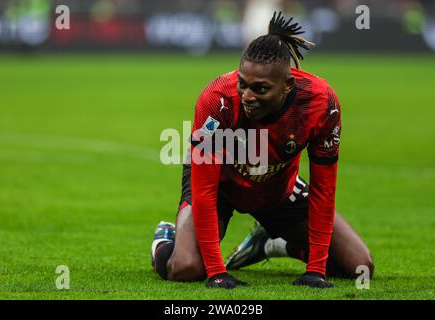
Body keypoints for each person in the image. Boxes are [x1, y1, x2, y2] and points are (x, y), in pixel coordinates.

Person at [151, 12, 374, 289]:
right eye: (242, 84)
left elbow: (323, 190)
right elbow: (205, 190)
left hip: (276, 189)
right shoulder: (217, 100)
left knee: (359, 265)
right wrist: (217, 273)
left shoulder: (320, 103)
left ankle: (273, 243)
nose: (247, 96)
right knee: (186, 267)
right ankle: (165, 238)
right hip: (220, 185)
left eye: (260, 89)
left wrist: (316, 270)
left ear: (287, 85)